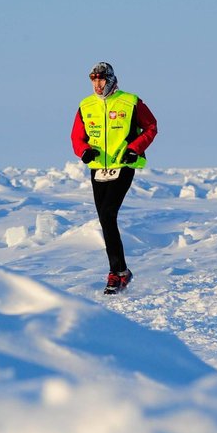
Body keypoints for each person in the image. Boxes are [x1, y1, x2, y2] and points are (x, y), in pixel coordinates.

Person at [71, 61, 158, 294]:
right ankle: (121, 272)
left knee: (109, 214)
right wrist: (84, 151)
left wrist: (135, 149)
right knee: (105, 219)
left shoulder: (130, 101)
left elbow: (151, 127)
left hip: (123, 165)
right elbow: (76, 136)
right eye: (94, 80)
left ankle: (116, 273)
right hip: (98, 168)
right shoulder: (85, 105)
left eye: (101, 79)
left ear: (110, 79)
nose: (97, 84)